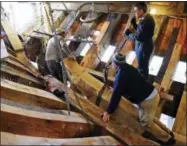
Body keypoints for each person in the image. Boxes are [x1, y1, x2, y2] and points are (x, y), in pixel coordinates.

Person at [101, 53, 175, 145]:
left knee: (146, 122)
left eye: (113, 63)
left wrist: (108, 111)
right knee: (148, 115)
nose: (111, 64)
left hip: (148, 100)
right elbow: (129, 85)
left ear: (116, 64)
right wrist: (117, 90)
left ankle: (168, 140)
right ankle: (168, 132)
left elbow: (116, 97)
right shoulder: (128, 68)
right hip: (152, 94)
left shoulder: (120, 76)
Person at [125, 2, 155, 79]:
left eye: (135, 11)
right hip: (144, 46)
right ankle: (143, 83)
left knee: (142, 68)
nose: (134, 13)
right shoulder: (146, 19)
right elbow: (141, 31)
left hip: (144, 47)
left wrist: (129, 34)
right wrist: (134, 24)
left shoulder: (146, 21)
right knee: (143, 67)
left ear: (141, 11)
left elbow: (139, 37)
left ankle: (143, 85)